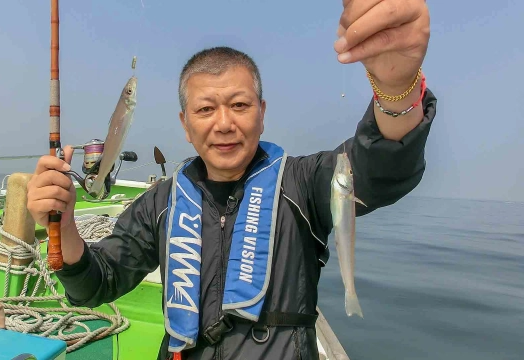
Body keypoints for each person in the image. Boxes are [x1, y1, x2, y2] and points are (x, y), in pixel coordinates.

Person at [26, 1, 435, 359]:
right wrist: (66, 229)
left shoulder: (303, 184)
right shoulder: (161, 203)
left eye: (239, 105)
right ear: (185, 126)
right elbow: (96, 284)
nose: (224, 124)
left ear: (262, 112)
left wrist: (396, 87)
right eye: (206, 110)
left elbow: (382, 168)